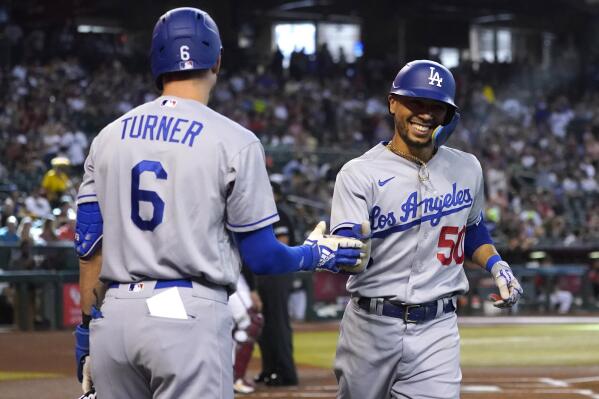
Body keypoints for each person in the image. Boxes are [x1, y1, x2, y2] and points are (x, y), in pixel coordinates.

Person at [73, 7, 369, 399]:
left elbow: (89, 247)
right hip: (185, 317)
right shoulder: (234, 140)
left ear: (155, 61)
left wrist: (85, 335)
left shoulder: (107, 137)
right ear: (217, 60)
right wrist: (317, 254)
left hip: (114, 321)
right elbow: (263, 257)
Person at [329, 60, 523, 399]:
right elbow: (350, 248)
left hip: (437, 327)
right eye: (415, 102)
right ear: (392, 103)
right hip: (370, 326)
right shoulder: (358, 173)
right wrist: (338, 251)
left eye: (436, 107)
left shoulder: (467, 167)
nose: (425, 114)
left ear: (449, 115)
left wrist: (498, 266)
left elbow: (473, 229)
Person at [255, 176, 298, 387]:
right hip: (264, 273)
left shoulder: (278, 214)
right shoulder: (264, 214)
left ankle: (286, 373)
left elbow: (282, 245)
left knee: (278, 323)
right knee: (264, 325)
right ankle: (269, 369)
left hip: (278, 273)